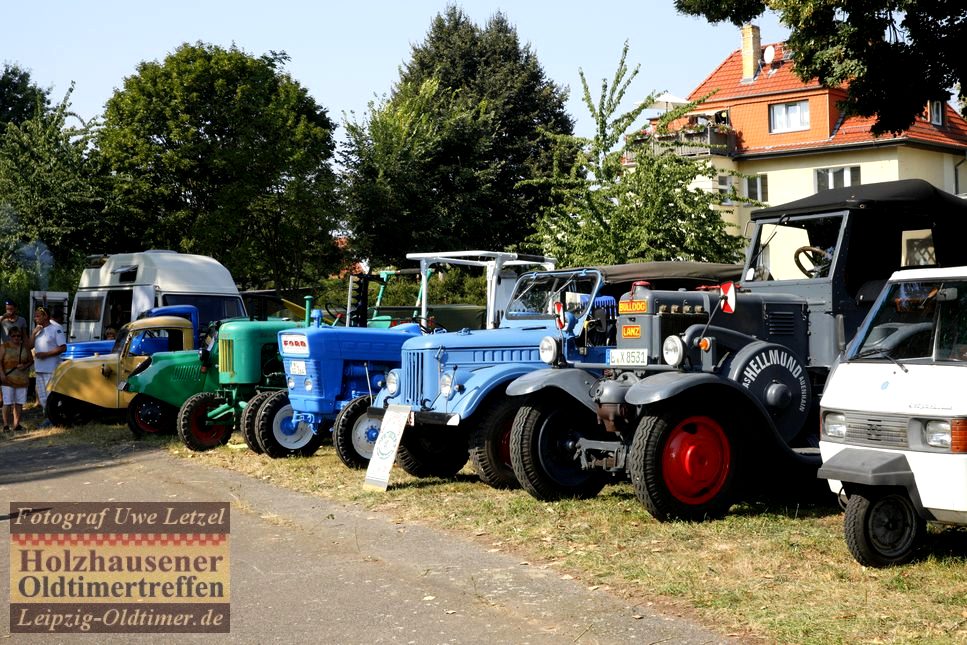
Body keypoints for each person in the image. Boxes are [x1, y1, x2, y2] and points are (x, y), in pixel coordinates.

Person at [29, 306, 67, 427]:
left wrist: (46, 354)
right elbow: (29, 346)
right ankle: (49, 418)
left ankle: (54, 420)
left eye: (38, 316)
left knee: (51, 396)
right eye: (35, 316)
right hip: (39, 369)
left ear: (46, 316)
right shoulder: (38, 330)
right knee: (43, 397)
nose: (36, 318)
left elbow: (63, 347)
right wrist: (34, 333)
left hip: (51, 368)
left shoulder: (56, 328)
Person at [1, 328, 32, 432]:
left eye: (18, 336)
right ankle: (5, 425)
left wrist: (24, 366)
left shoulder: (25, 347)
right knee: (7, 402)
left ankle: (16, 425)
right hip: (8, 379)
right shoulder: (3, 347)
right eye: (14, 335)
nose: (16, 338)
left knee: (19, 403)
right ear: (9, 336)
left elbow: (30, 360)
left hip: (22, 380)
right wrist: (2, 375)